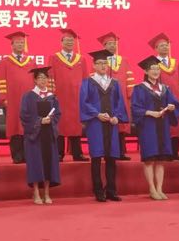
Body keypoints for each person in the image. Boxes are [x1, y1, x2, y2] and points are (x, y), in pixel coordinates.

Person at [80, 49, 129, 202]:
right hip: (96, 124)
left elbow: (119, 102)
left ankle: (111, 190)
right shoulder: (87, 83)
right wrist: (97, 114)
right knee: (96, 158)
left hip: (111, 124)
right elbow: (84, 102)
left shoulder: (114, 83)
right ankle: (98, 190)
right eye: (99, 63)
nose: (103, 66)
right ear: (94, 66)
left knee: (111, 158)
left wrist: (117, 117)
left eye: (105, 63)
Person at [130, 56, 179, 200]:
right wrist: (150, 113)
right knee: (149, 159)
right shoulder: (139, 88)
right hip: (148, 127)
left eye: (158, 69)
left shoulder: (165, 88)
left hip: (162, 126)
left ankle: (160, 189)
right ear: (146, 71)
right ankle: (152, 189)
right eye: (152, 69)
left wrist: (172, 107)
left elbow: (175, 104)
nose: (156, 71)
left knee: (160, 160)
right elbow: (135, 108)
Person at [20, 67, 61, 204]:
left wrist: (51, 120)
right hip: (34, 136)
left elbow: (57, 114)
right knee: (36, 163)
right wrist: (39, 121)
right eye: (40, 78)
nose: (43, 80)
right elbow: (24, 116)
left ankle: (47, 193)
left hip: (48, 134)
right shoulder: (28, 96)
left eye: (45, 78)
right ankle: (36, 192)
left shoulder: (52, 97)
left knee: (48, 163)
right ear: (35, 80)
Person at [48, 28, 89, 162]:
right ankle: (59, 153)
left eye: (72, 40)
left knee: (76, 125)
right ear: (61, 42)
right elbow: (50, 77)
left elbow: (85, 79)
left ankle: (77, 153)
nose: (70, 42)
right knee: (60, 124)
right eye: (67, 40)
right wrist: (52, 95)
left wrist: (85, 95)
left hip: (77, 97)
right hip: (60, 96)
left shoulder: (81, 59)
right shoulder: (54, 58)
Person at [98, 32, 135, 160]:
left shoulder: (123, 60)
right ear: (104, 46)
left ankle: (121, 152)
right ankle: (107, 152)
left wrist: (130, 94)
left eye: (114, 43)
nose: (112, 46)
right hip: (105, 98)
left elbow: (129, 78)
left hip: (122, 97)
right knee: (107, 124)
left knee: (120, 124)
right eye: (109, 44)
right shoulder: (100, 62)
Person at [0, 31, 32, 163]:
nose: (20, 45)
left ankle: (28, 154)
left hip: (28, 100)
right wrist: (3, 98)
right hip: (12, 100)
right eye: (17, 42)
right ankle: (17, 155)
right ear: (12, 45)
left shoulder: (30, 61)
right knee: (14, 126)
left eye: (22, 42)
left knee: (27, 126)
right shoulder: (5, 62)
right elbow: (1, 81)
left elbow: (35, 80)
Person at [149, 32, 179, 160]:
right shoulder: (153, 64)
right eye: (162, 45)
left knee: (176, 125)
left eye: (166, 45)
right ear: (156, 48)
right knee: (164, 126)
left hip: (175, 99)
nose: (165, 47)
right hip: (160, 99)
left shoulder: (175, 63)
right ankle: (165, 152)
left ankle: (175, 152)